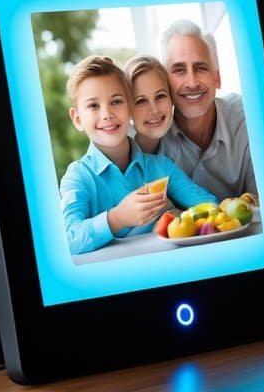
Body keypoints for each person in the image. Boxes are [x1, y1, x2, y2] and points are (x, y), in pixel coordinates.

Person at [60, 55, 215, 256]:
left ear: (129, 107)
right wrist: (117, 218)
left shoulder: (162, 168)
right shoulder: (78, 177)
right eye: (93, 106)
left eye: (116, 101)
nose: (107, 114)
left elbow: (209, 206)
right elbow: (68, 240)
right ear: (78, 119)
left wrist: (180, 216)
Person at [159, 19, 257, 200]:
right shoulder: (154, 138)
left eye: (201, 67)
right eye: (179, 70)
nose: (192, 82)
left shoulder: (249, 117)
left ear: (217, 78)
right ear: (165, 83)